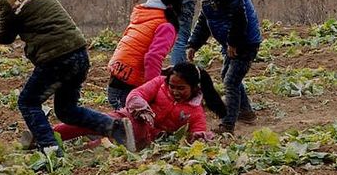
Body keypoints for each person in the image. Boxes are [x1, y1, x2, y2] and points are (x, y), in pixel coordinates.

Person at [0, 0, 135, 152]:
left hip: (56, 59)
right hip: (78, 52)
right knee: (66, 110)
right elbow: (20, 8)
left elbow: (3, 36)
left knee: (28, 101)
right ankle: (114, 126)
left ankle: (50, 149)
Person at [55, 62, 226, 151]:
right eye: (172, 86)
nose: (175, 91)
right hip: (127, 120)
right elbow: (136, 95)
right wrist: (142, 109)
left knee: (101, 148)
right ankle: (46, 135)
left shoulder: (195, 111)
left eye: (181, 88)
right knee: (87, 124)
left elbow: (198, 133)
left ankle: (74, 150)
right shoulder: (159, 83)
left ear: (194, 87)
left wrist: (199, 138)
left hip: (145, 140)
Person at [186, 0, 262, 133]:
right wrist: (193, 44)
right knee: (228, 76)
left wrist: (234, 43)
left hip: (245, 41)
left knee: (231, 80)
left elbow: (239, 18)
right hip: (230, 41)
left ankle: (228, 124)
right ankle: (246, 113)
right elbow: (205, 21)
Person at [106, 0, 184, 110]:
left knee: (124, 122)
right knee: (133, 125)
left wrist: (161, 72)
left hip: (116, 79)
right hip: (127, 88)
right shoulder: (166, 25)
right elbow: (152, 58)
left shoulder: (144, 15)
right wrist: (152, 89)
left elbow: (137, 50)